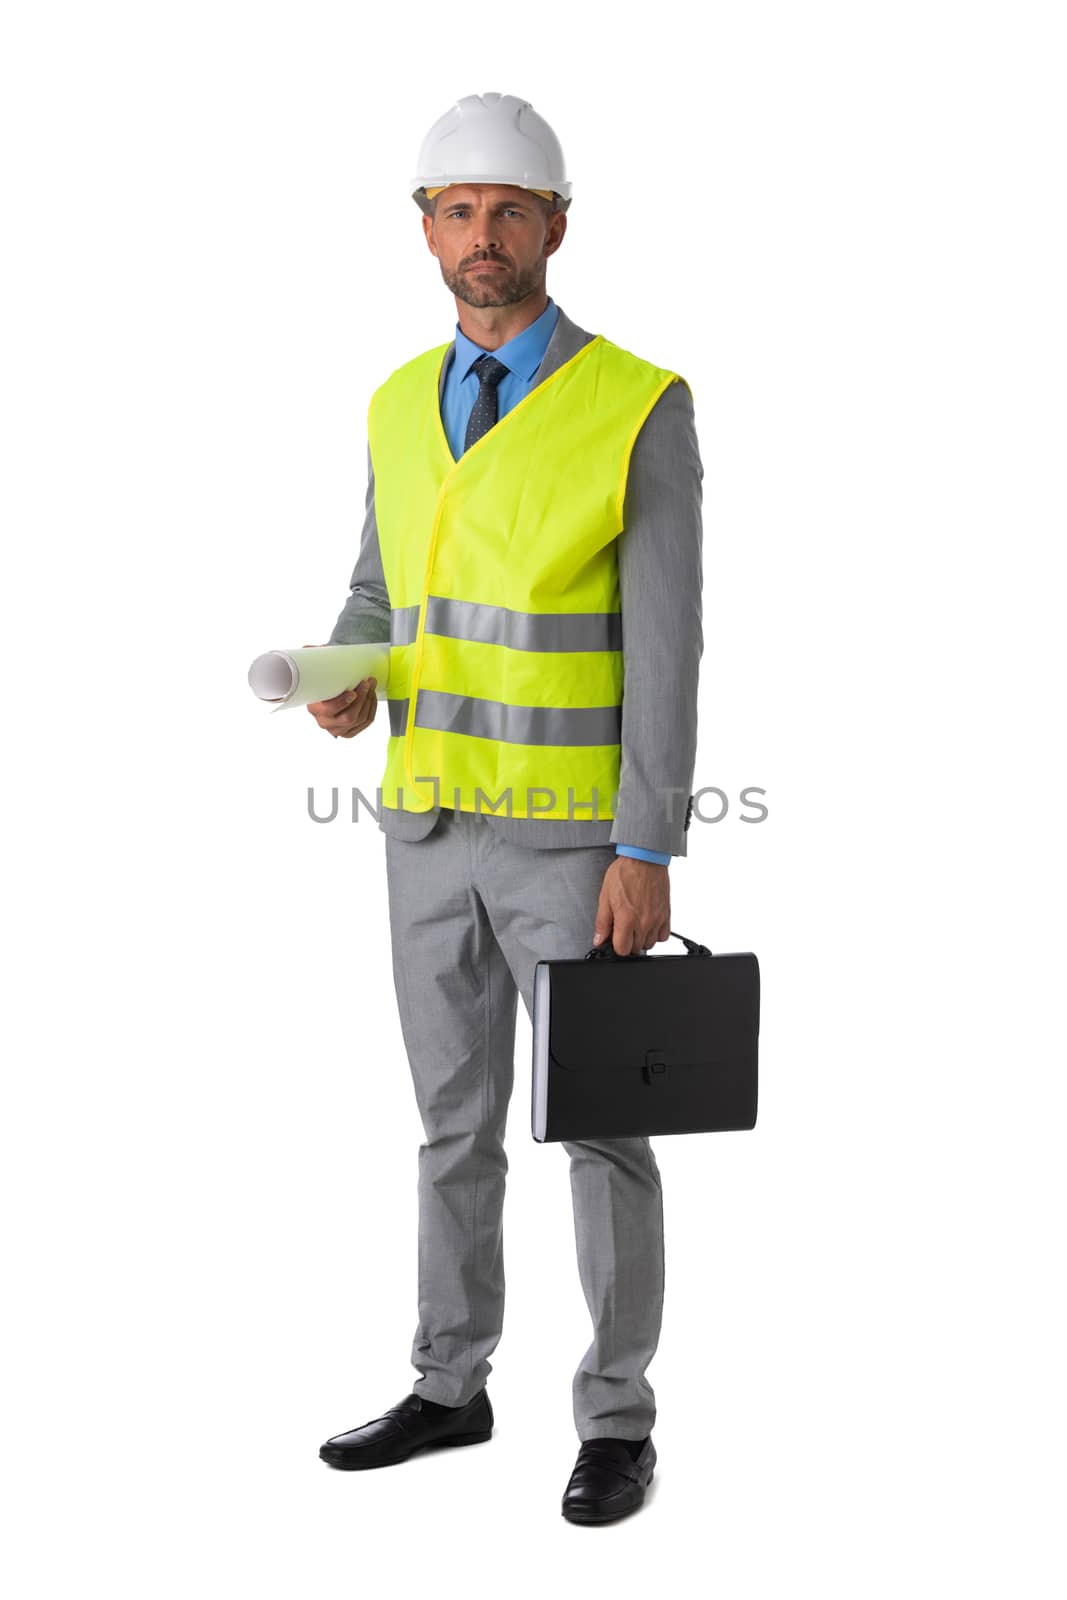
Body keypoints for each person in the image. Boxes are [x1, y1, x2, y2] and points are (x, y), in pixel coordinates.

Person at [309, 92, 703, 1524]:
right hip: (424, 830)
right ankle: (449, 1384)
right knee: (451, 1122)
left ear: (556, 226)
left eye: (510, 211)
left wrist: (648, 843)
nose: (485, 236)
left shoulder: (638, 405)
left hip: (572, 848)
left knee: (600, 1132)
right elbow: (381, 589)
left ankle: (616, 1419)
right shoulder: (396, 400)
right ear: (426, 232)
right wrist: (347, 676)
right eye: (458, 211)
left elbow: (667, 646)